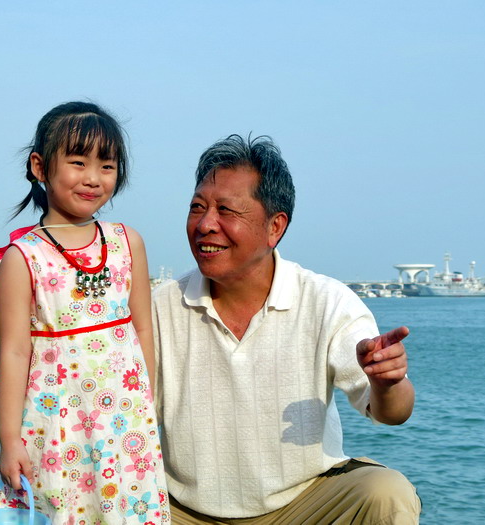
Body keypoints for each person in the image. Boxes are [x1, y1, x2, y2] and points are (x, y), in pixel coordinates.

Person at [151, 134, 421, 523]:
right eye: (198, 207)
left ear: (274, 227)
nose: (206, 224)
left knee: (386, 493)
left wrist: (387, 383)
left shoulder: (327, 302)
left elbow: (393, 414)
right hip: (184, 512)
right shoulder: (160, 306)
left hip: (303, 505)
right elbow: (125, 416)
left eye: (226, 210)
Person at [0, 102, 170, 524]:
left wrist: (145, 405)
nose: (93, 178)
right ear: (40, 167)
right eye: (78, 162)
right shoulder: (23, 258)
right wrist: (10, 438)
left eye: (107, 166)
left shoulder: (127, 242)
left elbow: (143, 329)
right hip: (54, 424)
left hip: (125, 422)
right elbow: (15, 353)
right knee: (62, 509)